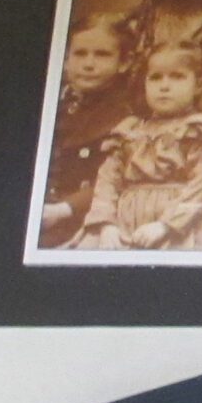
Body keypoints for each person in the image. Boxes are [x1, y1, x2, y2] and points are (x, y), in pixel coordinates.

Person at [75, 41, 202, 252]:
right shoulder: (130, 131)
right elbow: (108, 180)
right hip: (125, 222)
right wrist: (107, 223)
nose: (164, 86)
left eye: (177, 77)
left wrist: (166, 226)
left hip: (185, 224)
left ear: (198, 84)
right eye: (155, 77)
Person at [39, 15, 132, 248]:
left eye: (102, 55)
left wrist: (64, 208)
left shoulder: (125, 116)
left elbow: (117, 180)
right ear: (65, 59)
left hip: (81, 217)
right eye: (80, 54)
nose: (89, 64)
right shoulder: (51, 102)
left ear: (124, 62)